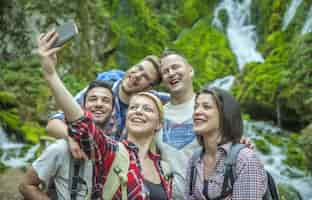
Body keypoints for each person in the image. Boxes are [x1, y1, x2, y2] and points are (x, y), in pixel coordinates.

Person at [32, 30, 173, 199]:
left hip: (111, 179)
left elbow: (180, 100)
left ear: (150, 88)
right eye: (138, 68)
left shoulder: (144, 107)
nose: (136, 76)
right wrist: (72, 137)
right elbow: (55, 122)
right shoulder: (100, 92)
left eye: (144, 76)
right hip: (78, 169)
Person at [19, 80, 115, 200]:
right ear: (82, 107)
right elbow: (26, 185)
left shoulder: (116, 152)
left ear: (113, 111)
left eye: (105, 100)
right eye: (93, 99)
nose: (99, 104)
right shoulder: (61, 148)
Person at [185, 87, 267, 199]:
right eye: (196, 107)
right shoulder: (195, 159)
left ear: (224, 114)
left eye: (206, 107)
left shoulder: (245, 160)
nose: (197, 112)